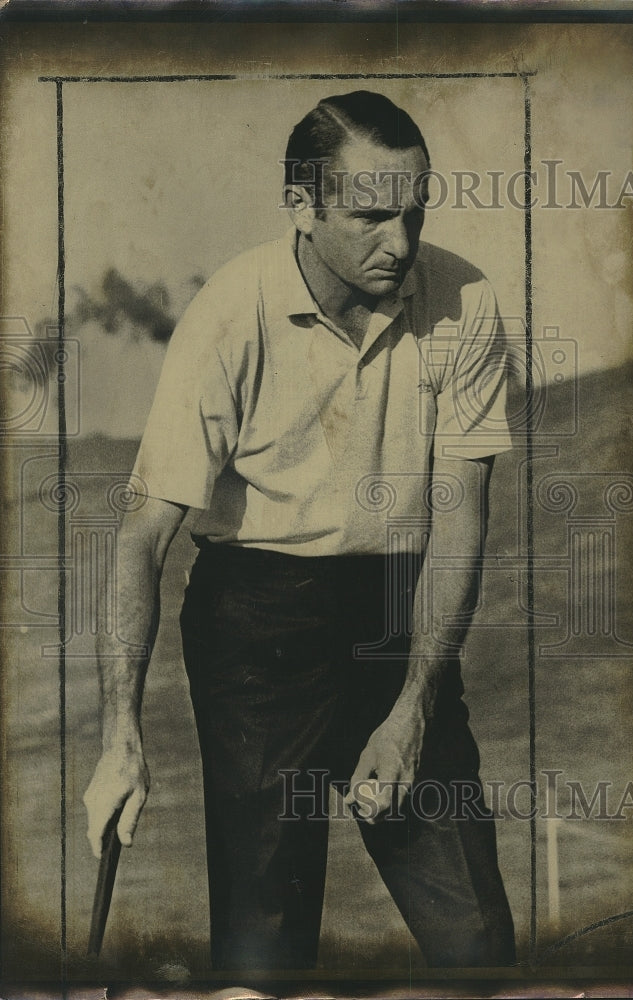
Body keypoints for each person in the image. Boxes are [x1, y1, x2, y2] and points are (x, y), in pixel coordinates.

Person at [84, 90, 516, 971]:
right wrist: (120, 738)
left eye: (415, 210)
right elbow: (141, 538)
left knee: (477, 940)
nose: (400, 241)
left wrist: (414, 706)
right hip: (259, 625)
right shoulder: (226, 317)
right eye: (368, 216)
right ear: (301, 207)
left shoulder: (465, 301)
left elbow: (459, 518)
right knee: (266, 951)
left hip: (400, 613)